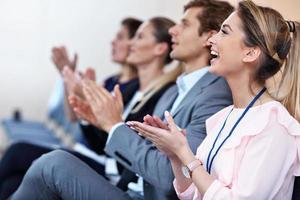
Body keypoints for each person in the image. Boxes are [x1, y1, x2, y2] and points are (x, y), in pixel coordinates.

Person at [10, 0, 234, 199]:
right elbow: (143, 149)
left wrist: (112, 124)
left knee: (51, 164)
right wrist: (100, 121)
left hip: (138, 188)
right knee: (31, 174)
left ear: (208, 37)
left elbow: (171, 178)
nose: (174, 30)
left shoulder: (214, 95)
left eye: (184, 24)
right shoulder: (174, 91)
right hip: (128, 183)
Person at [128, 0, 300, 199]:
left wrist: (184, 152)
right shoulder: (224, 116)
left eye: (224, 32)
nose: (212, 40)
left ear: (251, 52)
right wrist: (174, 154)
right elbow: (193, 192)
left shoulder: (275, 127)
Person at [0, 16, 179, 199]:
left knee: (17, 152)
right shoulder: (133, 88)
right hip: (101, 160)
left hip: (115, 172)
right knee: (11, 183)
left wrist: (91, 106)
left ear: (160, 48)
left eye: (139, 37)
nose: (131, 43)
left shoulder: (165, 94)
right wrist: (86, 113)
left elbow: (123, 146)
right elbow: (101, 139)